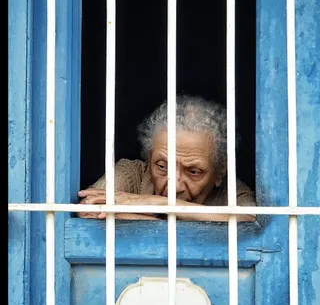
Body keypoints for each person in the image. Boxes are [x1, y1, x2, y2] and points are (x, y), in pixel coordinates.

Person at [77, 94, 256, 222]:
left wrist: (159, 203)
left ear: (219, 173)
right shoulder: (131, 173)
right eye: (162, 167)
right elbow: (89, 209)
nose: (174, 186)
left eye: (193, 171)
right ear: (149, 157)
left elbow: (251, 220)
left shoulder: (232, 192)